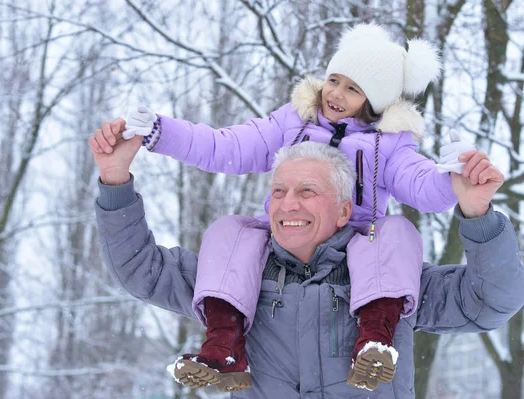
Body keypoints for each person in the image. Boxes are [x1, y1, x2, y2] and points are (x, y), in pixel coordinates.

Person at [90, 22, 477, 391]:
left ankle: (374, 341)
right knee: (230, 231)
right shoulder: (293, 122)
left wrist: (451, 180)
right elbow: (227, 145)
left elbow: (421, 186)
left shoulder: (389, 143)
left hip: (358, 245)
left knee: (396, 232)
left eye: (353, 89)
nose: (336, 94)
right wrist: (160, 132)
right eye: (334, 80)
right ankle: (224, 345)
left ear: (374, 103)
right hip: (285, 236)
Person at [90, 135, 524, 398]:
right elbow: (141, 268)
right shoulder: (236, 278)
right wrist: (114, 181)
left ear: (342, 211)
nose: (288, 203)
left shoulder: (391, 279)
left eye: (306, 190)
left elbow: (491, 302)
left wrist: (477, 215)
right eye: (278, 190)